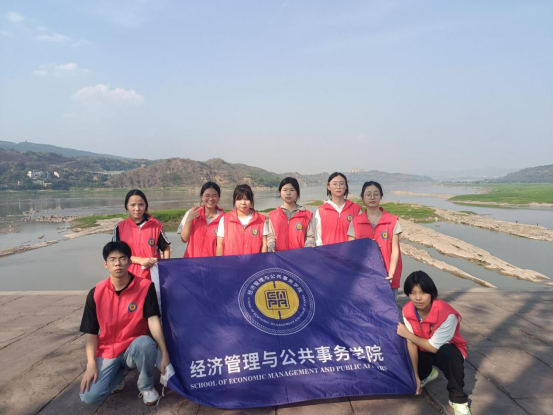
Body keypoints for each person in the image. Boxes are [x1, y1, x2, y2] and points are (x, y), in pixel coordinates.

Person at [79, 241, 170, 406]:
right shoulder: (96, 293)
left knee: (146, 344)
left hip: (134, 347)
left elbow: (153, 321)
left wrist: (165, 353)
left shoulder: (145, 287)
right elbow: (90, 332)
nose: (118, 263)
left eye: (122, 259)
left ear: (129, 262)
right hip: (108, 350)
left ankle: (146, 386)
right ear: (105, 264)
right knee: (88, 396)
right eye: (112, 259)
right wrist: (91, 363)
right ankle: (116, 376)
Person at [397, 271, 471, 415]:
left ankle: (458, 400)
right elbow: (411, 343)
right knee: (401, 346)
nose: (418, 298)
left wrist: (408, 334)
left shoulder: (446, 314)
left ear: (431, 292)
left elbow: (433, 347)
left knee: (450, 354)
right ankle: (427, 373)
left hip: (444, 352)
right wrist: (415, 376)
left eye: (423, 292)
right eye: (413, 293)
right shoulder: (407, 311)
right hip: (423, 349)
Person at [348, 181, 403, 298]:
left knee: (389, 307)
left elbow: (395, 250)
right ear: (362, 198)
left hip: (387, 276)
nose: (372, 197)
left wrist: (391, 273)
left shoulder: (392, 221)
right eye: (368, 194)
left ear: (381, 196)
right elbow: (351, 250)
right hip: (364, 276)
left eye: (376, 194)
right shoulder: (355, 222)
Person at [113, 189, 171, 280]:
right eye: (132, 205)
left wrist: (165, 266)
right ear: (126, 206)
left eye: (141, 204)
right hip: (127, 276)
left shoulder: (156, 225)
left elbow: (165, 248)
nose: (137, 209)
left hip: (152, 275)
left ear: (146, 205)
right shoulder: (120, 227)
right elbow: (116, 253)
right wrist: (140, 260)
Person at [216, 184, 268, 255]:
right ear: (234, 200)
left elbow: (264, 244)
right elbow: (220, 244)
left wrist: (263, 260)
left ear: (251, 200)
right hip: (231, 261)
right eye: (239, 199)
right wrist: (219, 261)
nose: (243, 203)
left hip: (254, 261)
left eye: (246, 199)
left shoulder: (261, 219)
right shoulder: (225, 219)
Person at [177, 182, 224, 258]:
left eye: (214, 196)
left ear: (219, 197)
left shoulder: (224, 218)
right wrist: (188, 220)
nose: (211, 199)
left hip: (213, 263)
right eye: (207, 196)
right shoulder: (192, 213)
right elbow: (184, 239)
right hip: (192, 262)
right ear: (202, 196)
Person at [267, 177, 315, 252]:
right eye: (285, 190)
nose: (288, 193)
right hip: (279, 256)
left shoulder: (306, 214)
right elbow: (271, 236)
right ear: (280, 192)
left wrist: (308, 246)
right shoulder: (274, 215)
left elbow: (310, 236)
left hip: (300, 256)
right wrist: (271, 246)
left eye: (292, 190)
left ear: (297, 193)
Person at [314, 172, 362, 246]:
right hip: (328, 252)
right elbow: (318, 238)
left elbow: (361, 234)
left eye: (341, 184)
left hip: (350, 252)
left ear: (346, 186)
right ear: (328, 187)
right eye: (335, 184)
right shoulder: (321, 210)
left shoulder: (356, 209)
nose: (338, 187)